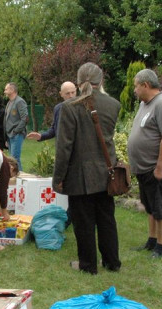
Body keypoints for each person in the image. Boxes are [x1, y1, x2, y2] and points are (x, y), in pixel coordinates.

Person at [53, 62, 122, 275]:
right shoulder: (113, 104)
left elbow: (64, 147)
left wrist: (58, 177)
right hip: (106, 171)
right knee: (107, 219)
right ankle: (112, 261)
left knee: (83, 222)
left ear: (78, 82)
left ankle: (88, 265)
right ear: (101, 81)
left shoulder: (69, 107)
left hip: (79, 174)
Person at [127, 69, 162, 259]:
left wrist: (160, 167)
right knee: (151, 207)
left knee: (161, 209)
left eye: (136, 86)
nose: (134, 90)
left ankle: (161, 248)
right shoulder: (144, 104)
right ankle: (152, 240)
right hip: (144, 169)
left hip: (157, 169)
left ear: (145, 85)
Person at [3, 82, 28, 170]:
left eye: (6, 89)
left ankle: (20, 176)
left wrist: (16, 131)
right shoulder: (9, 102)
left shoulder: (19, 101)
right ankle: (16, 176)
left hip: (16, 134)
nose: (4, 91)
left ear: (12, 90)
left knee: (15, 159)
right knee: (12, 160)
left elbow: (25, 118)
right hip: (10, 135)